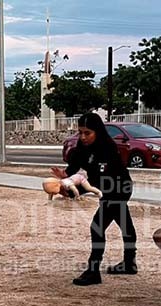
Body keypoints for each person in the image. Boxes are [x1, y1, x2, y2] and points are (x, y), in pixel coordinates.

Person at [50, 112, 137, 286]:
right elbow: (73, 170)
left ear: (97, 131)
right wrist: (64, 179)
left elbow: (99, 181)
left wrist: (77, 191)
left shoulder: (107, 149)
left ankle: (93, 270)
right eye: (80, 132)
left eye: (87, 133)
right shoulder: (81, 149)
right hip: (106, 189)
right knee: (124, 222)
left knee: (97, 227)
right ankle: (129, 262)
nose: (83, 137)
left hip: (119, 188)